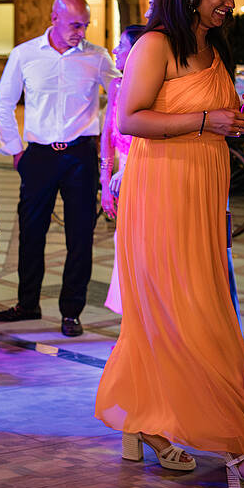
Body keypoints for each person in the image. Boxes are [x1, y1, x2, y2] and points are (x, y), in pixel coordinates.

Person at [95, 0, 244, 488]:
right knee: (197, 318)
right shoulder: (155, 45)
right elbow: (130, 118)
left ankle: (146, 419)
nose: (230, 2)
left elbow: (241, 108)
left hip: (204, 195)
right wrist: (207, 119)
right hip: (161, 193)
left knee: (186, 313)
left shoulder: (214, 48)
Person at [0, 0, 118, 337]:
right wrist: (16, 149)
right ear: (54, 19)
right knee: (31, 232)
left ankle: (71, 312)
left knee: (81, 236)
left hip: (80, 155)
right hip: (39, 155)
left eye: (85, 25)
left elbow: (121, 95)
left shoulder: (97, 57)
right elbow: (3, 104)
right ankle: (27, 303)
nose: (82, 32)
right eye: (75, 25)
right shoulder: (25, 54)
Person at [98, 23, 146, 313]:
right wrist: (105, 182)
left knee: (143, 242)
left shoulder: (151, 87)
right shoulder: (117, 85)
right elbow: (107, 134)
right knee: (123, 240)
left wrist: (130, 170)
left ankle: (144, 310)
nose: (115, 50)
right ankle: (129, 313)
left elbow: (153, 136)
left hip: (145, 170)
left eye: (122, 45)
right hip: (120, 171)